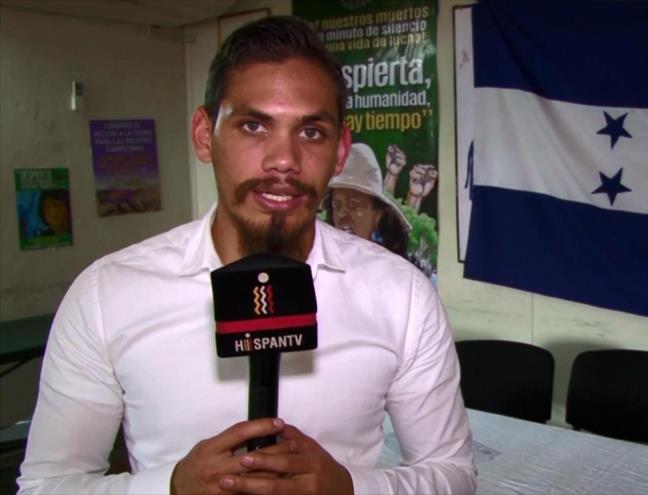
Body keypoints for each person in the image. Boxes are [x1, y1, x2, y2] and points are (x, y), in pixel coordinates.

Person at [17, 15, 476, 495]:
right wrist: (169, 488)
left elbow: (454, 473)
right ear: (204, 135)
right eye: (254, 126)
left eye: (311, 132)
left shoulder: (402, 296)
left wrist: (350, 488)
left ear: (340, 151)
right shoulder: (106, 295)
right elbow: (47, 486)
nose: (284, 161)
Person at [323, 142, 411, 259]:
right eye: (336, 206)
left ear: (377, 215)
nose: (342, 214)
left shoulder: (391, 266)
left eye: (353, 204)